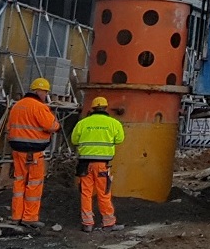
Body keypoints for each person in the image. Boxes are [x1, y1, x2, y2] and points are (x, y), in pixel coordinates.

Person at [8, 78, 61, 228]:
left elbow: (9, 127)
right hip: (34, 152)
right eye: (45, 92)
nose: (45, 95)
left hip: (17, 151)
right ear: (39, 91)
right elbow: (51, 126)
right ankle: (30, 217)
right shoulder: (39, 107)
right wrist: (57, 125)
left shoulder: (16, 106)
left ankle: (16, 216)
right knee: (34, 184)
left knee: (19, 182)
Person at [72, 97, 126, 232]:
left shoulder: (83, 123)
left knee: (86, 193)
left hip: (85, 165)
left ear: (92, 108)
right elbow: (119, 139)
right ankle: (108, 223)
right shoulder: (114, 123)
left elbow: (74, 140)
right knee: (104, 193)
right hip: (102, 165)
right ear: (106, 108)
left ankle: (87, 223)